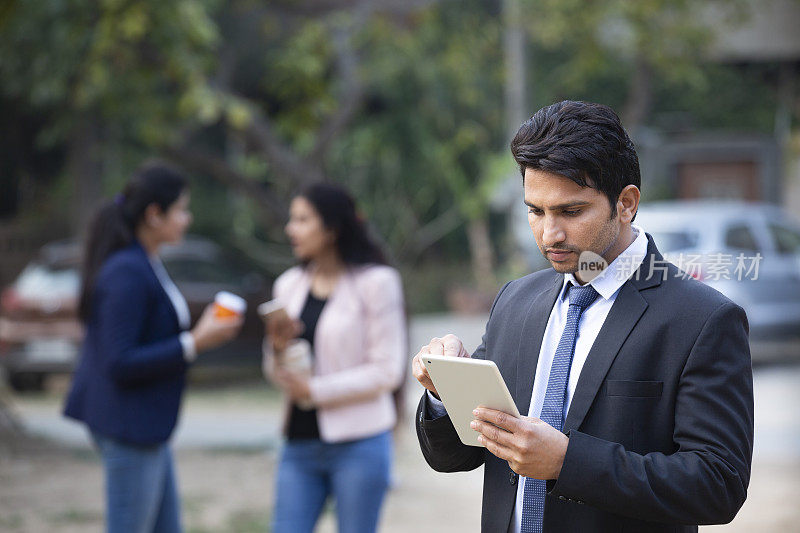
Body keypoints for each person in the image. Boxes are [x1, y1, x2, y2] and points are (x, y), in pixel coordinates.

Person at [412, 101, 754, 533]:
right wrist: (444, 394)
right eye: (535, 211)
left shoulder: (703, 319)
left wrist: (566, 462)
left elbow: (718, 485)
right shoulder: (516, 302)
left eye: (570, 212)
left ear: (626, 203)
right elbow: (457, 456)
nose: (549, 234)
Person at [64, 162, 243, 533]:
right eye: (181, 210)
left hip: (148, 428)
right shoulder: (127, 270)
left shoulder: (145, 261)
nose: (187, 219)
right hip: (129, 428)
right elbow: (120, 361)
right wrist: (195, 342)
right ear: (154, 214)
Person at [262, 183, 407, 533]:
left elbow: (388, 371)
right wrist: (279, 350)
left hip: (360, 443)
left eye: (302, 219)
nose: (290, 228)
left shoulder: (377, 282)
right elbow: (272, 370)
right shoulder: (288, 285)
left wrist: (314, 390)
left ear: (331, 228)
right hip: (298, 443)